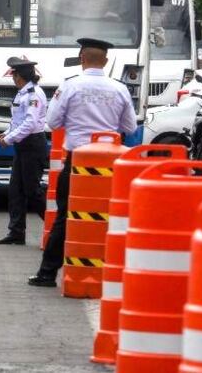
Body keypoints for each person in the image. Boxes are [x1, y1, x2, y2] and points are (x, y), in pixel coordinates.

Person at [28, 38, 137, 288]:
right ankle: (112, 274)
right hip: (110, 165)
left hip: (78, 164)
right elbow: (130, 127)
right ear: (106, 61)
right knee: (113, 218)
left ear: (81, 59)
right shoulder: (119, 89)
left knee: (67, 217)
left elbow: (53, 122)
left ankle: (47, 273)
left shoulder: (70, 86)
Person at [0, 57, 48, 246]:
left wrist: (8, 139)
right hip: (23, 145)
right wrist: (5, 134)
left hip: (32, 145)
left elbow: (30, 123)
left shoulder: (34, 95)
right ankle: (16, 232)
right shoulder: (22, 94)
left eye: (14, 75)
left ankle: (56, 226)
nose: (13, 78)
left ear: (19, 76)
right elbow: (18, 122)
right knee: (16, 190)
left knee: (32, 191)